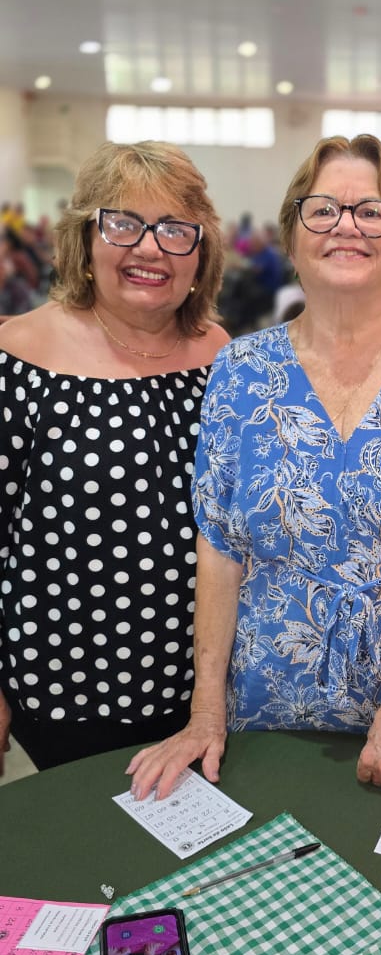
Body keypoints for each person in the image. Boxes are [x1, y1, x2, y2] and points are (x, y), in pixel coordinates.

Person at [127, 133, 381, 800]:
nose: (346, 227)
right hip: (269, 701)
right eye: (323, 210)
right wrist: (205, 710)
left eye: (370, 211)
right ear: (293, 237)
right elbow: (218, 547)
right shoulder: (241, 370)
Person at [0, 140, 229, 773]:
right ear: (85, 237)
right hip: (65, 691)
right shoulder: (18, 355)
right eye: (124, 223)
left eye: (175, 230)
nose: (151, 249)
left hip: (203, 693)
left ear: (200, 250)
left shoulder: (224, 357)